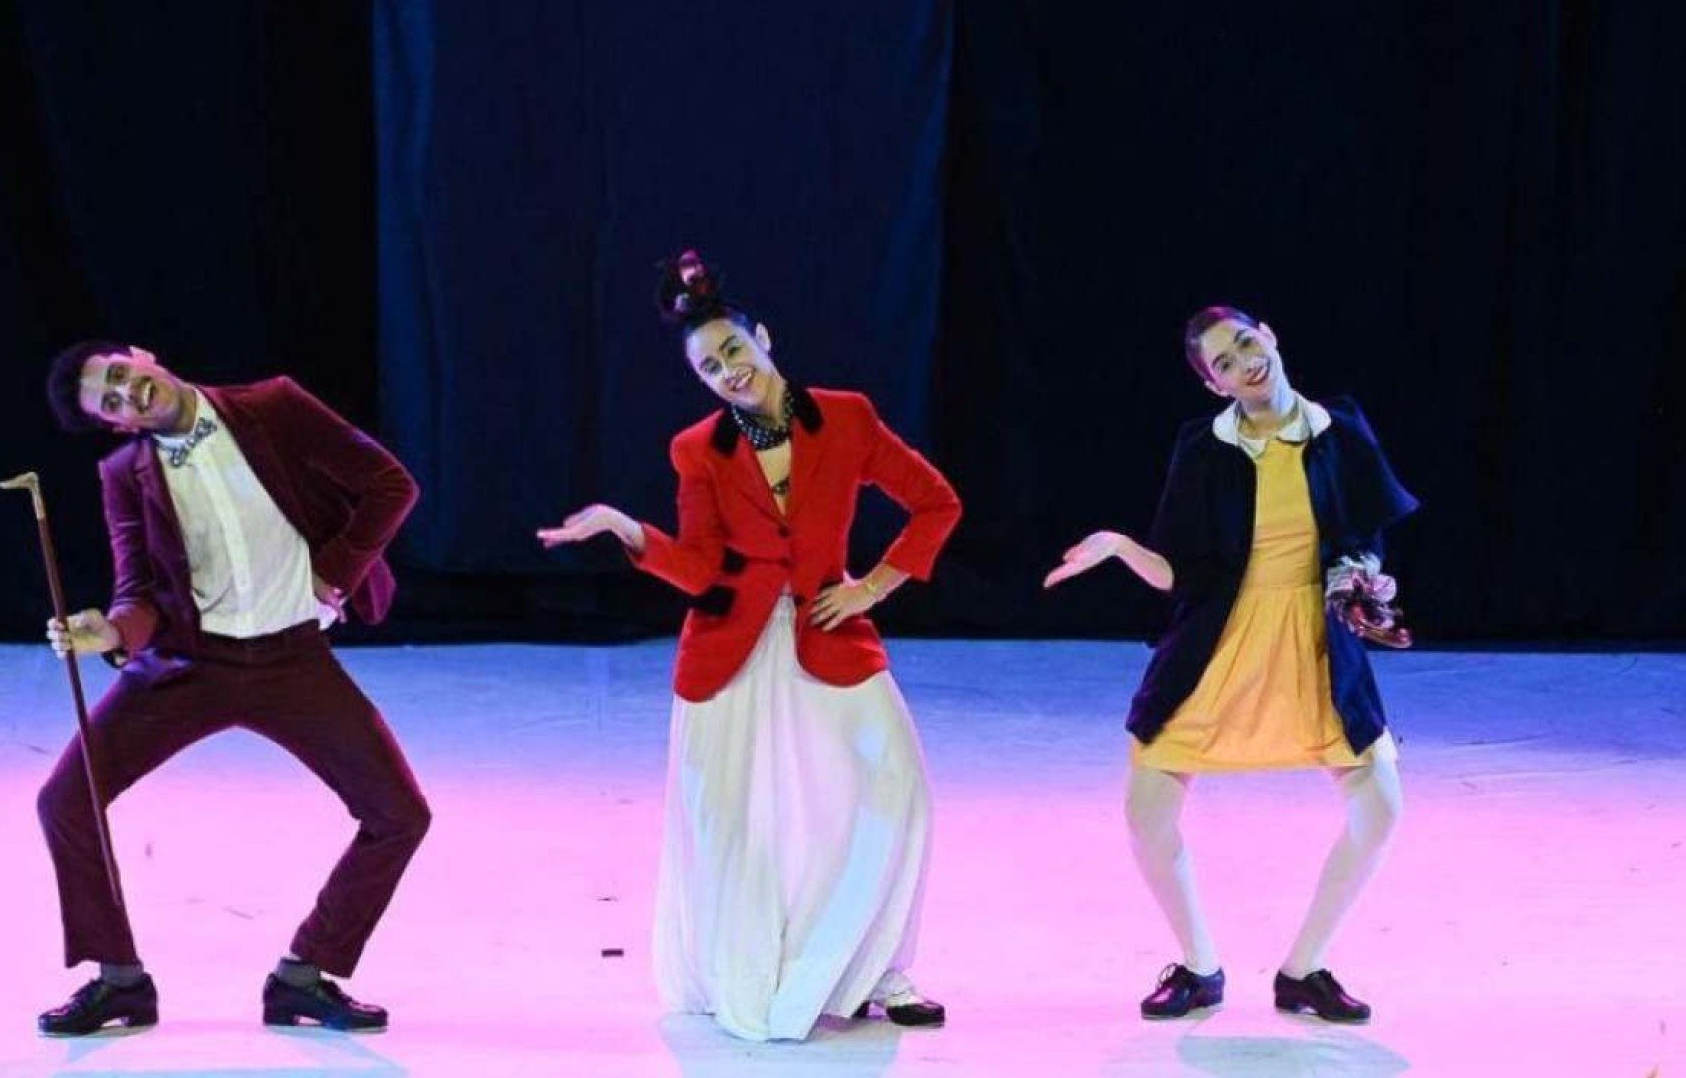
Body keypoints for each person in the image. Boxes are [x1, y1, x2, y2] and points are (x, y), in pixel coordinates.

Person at [537, 251, 962, 1042]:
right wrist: (628, 531)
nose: (727, 370)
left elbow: (936, 502)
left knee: (895, 788)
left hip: (830, 631)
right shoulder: (697, 449)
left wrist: (873, 585)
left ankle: (876, 967)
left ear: (763, 339)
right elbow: (699, 565)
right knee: (735, 825)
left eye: (734, 350)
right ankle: (760, 960)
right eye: (708, 366)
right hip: (729, 648)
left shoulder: (847, 416)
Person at [33, 341, 428, 1035]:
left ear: (144, 357)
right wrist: (114, 633)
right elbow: (140, 594)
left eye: (123, 377)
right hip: (191, 664)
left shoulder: (272, 405)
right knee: (65, 797)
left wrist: (336, 570)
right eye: (113, 404)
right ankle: (119, 978)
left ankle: (305, 973)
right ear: (119, 425)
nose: (130, 396)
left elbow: (391, 483)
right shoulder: (126, 474)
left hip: (292, 660)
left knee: (400, 813)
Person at [1045, 307, 1417, 1024]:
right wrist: (1120, 546)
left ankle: (1304, 967)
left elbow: (1366, 537)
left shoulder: (1339, 429)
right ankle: (1199, 965)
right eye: (1223, 361)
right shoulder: (1203, 448)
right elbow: (1177, 571)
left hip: (1314, 646)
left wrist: (1366, 579)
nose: (1243, 361)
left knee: (1381, 804)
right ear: (1214, 384)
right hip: (1220, 647)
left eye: (1246, 342)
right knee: (1147, 810)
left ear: (1271, 335)